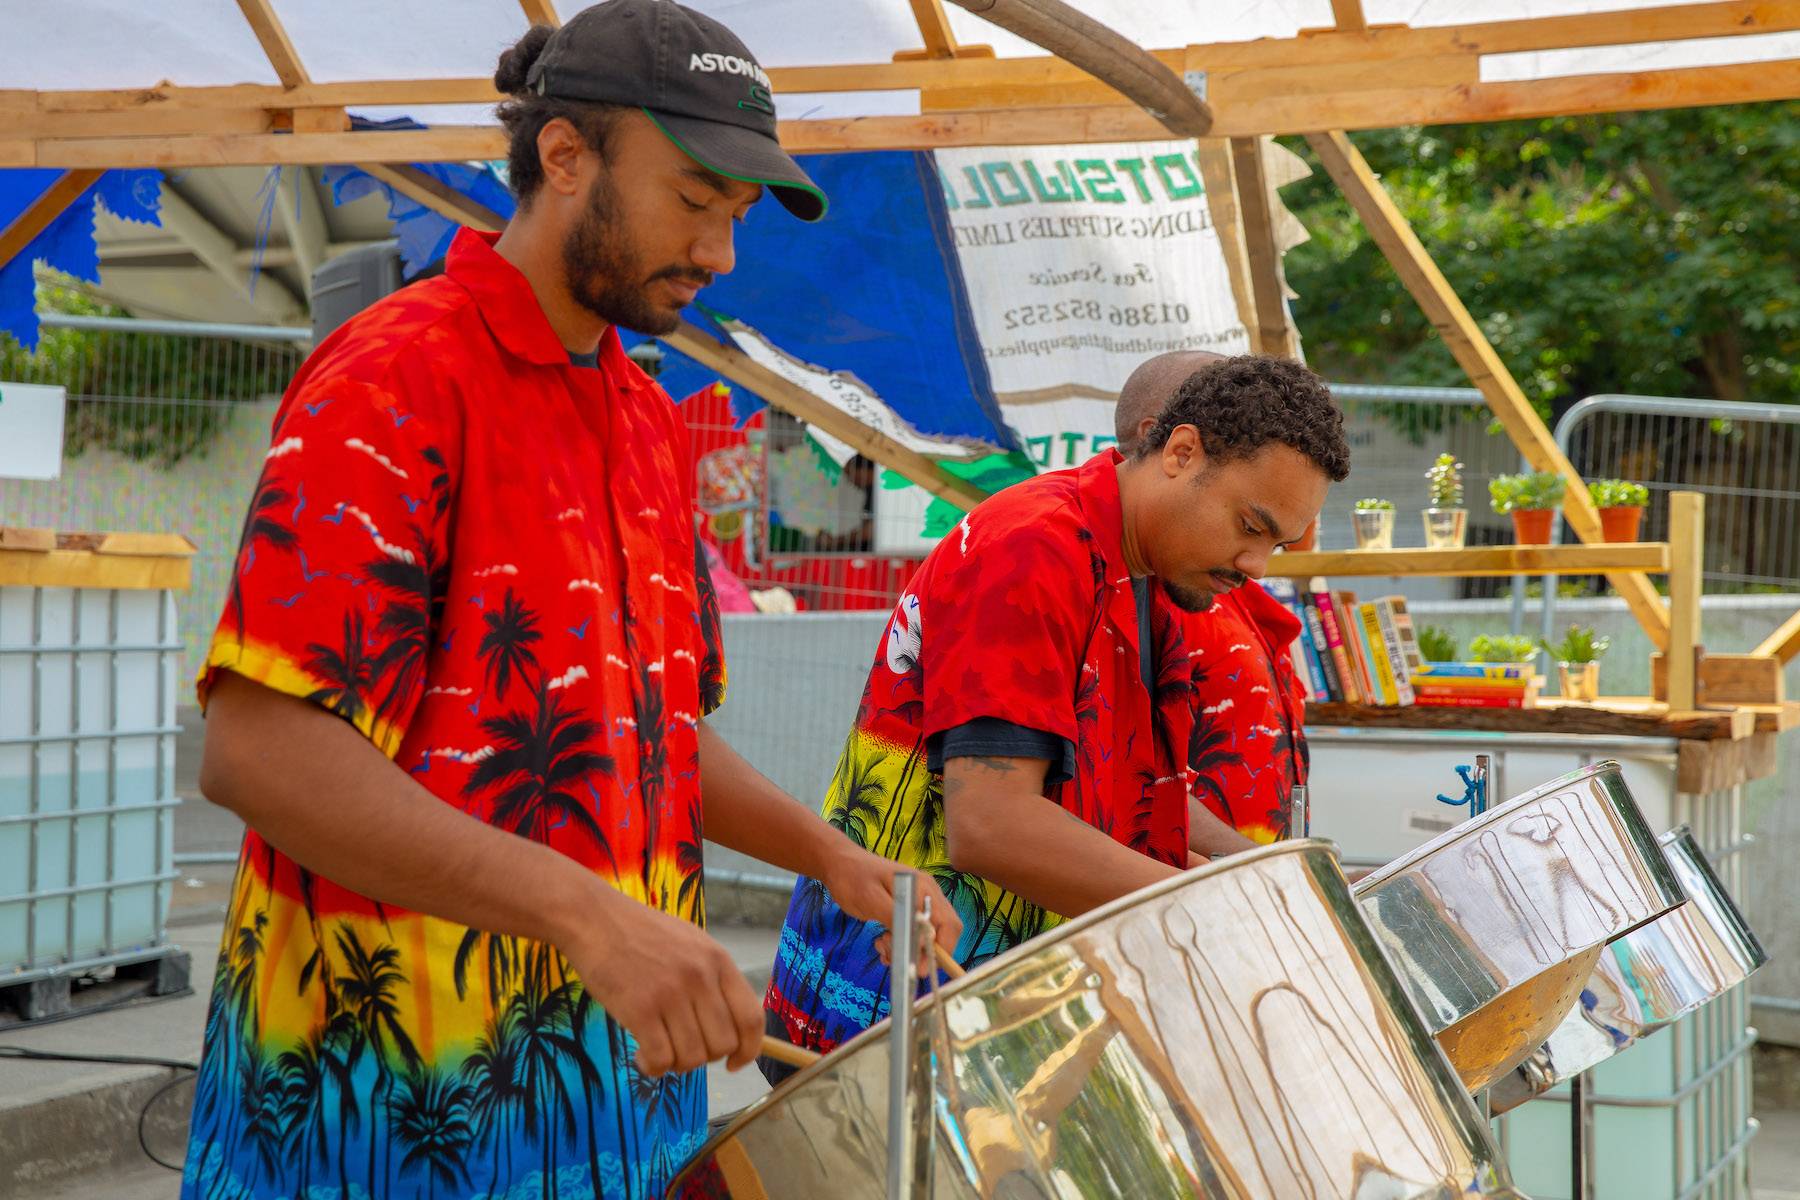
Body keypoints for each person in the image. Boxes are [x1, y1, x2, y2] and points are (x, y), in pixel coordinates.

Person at [182, 4, 956, 1198]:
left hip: (617, 1114)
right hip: (384, 1125)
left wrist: (833, 858)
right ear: (563, 157)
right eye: (694, 201)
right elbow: (259, 748)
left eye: (736, 216)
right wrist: (594, 921)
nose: (719, 254)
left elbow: (649, 739)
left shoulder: (645, 417)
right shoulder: (394, 378)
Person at [762, 354, 1350, 1073]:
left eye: (1279, 544)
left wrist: (1259, 871)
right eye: (1250, 525)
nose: (1258, 565)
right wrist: (1220, 910)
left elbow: (1128, 785)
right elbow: (993, 825)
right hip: (885, 1018)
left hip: (993, 1023)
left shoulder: (1151, 579)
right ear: (1181, 452)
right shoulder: (1033, 548)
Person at [1114, 352, 1315, 852]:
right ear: (1171, 443)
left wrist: (1273, 871)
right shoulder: (1094, 568)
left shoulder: (1204, 573)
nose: (1257, 564)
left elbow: (1152, 778)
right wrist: (1250, 876)